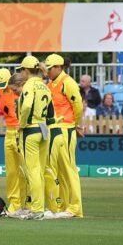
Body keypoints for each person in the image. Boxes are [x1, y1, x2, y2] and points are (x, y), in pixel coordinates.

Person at [16, 56, 59, 220]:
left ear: (26, 70)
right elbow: (51, 112)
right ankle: (40, 207)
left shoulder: (29, 85)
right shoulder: (44, 85)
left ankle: (37, 209)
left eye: (21, 70)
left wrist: (22, 123)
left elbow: (26, 105)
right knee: (40, 170)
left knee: (32, 171)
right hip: (44, 130)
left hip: (31, 129)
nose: (21, 73)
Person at [45, 53, 84, 219]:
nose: (47, 71)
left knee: (69, 169)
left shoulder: (67, 82)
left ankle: (75, 208)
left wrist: (75, 125)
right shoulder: (52, 83)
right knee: (59, 171)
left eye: (50, 68)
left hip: (66, 129)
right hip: (55, 129)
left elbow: (78, 105)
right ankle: (61, 206)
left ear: (59, 67)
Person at [0, 69, 28, 218]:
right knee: (12, 172)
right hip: (9, 131)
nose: (3, 87)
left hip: (20, 131)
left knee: (24, 171)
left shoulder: (21, 90)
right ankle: (14, 205)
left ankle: (27, 204)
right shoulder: (0, 91)